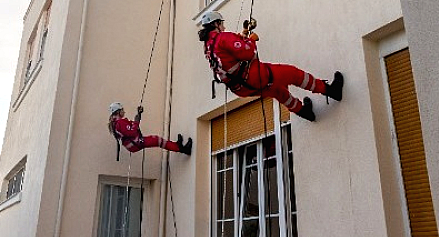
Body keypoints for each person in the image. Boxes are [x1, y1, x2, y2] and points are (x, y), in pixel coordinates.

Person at [198, 11, 343, 122]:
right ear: (216, 24)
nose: (224, 26)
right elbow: (248, 53)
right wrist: (252, 40)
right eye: (221, 23)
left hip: (240, 88)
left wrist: (243, 35)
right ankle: (330, 90)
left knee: (278, 91)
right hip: (253, 76)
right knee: (293, 74)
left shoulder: (208, 46)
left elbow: (228, 56)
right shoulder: (223, 37)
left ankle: (304, 112)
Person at [108, 102, 193, 159]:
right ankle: (182, 149)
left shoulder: (117, 123)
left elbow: (131, 128)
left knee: (156, 140)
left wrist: (138, 115)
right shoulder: (119, 123)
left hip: (133, 143)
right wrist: (136, 121)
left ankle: (176, 145)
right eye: (122, 110)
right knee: (157, 140)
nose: (124, 111)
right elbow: (132, 132)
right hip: (135, 143)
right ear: (118, 112)